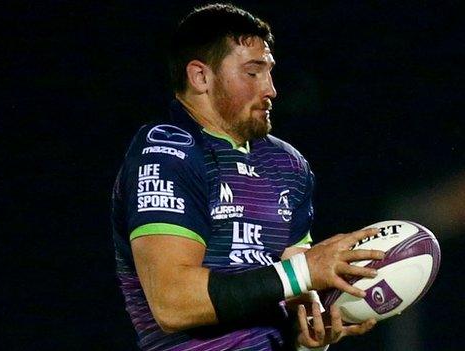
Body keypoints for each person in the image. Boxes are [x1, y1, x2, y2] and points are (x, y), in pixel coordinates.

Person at [111, 3, 385, 350]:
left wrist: (310, 333)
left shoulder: (287, 164)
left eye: (269, 72)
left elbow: (295, 293)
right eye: (252, 73)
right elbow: (173, 302)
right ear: (201, 77)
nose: (270, 90)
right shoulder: (168, 152)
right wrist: (305, 270)